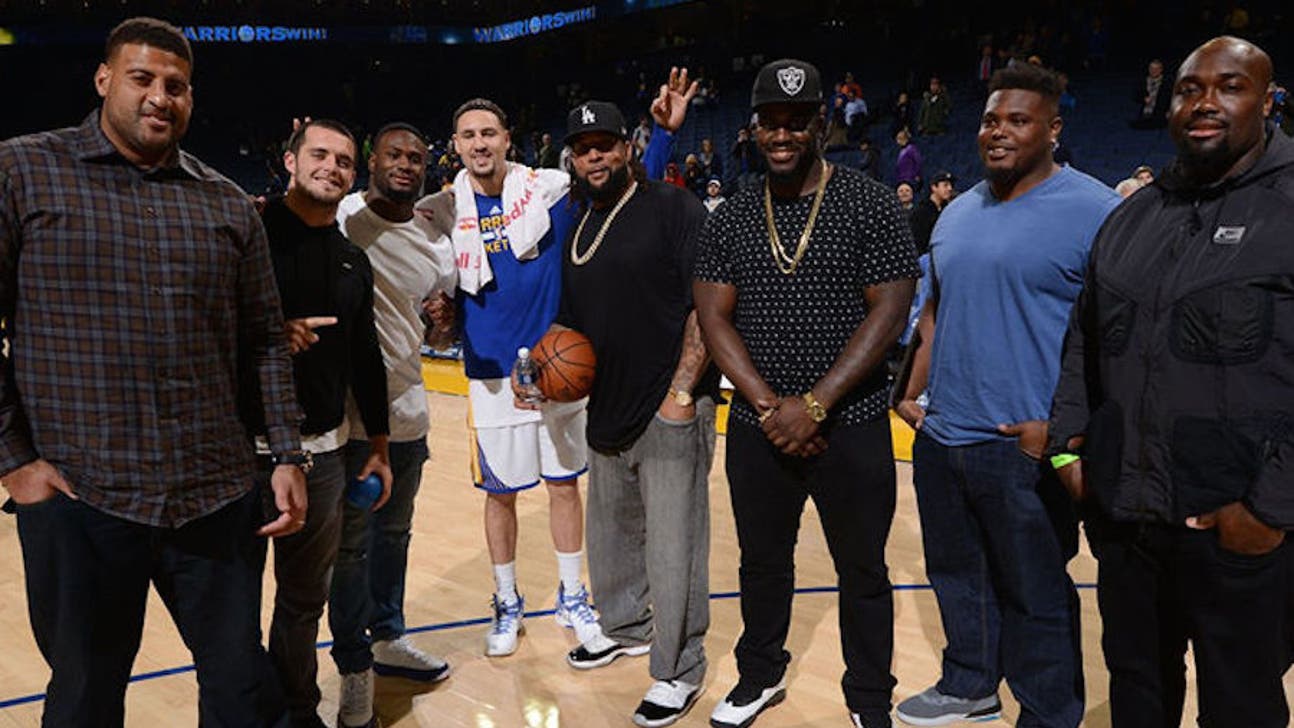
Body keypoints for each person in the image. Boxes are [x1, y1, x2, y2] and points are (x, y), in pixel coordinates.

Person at [0, 17, 304, 725]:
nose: (160, 97)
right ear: (104, 79)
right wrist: (14, 460)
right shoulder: (21, 170)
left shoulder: (228, 202)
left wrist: (286, 452)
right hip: (82, 498)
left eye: (177, 86)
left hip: (215, 495)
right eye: (142, 79)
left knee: (241, 693)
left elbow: (264, 339)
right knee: (84, 698)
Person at [1047, 36, 1294, 728]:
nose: (1205, 103)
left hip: (1238, 529)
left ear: (1267, 101)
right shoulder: (1133, 215)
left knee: (1241, 706)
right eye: (1189, 90)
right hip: (1127, 521)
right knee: (1138, 694)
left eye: (1230, 86)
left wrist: (1271, 509)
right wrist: (1070, 450)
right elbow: (1083, 341)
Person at [424, 69, 693, 661]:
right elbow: (436, 296)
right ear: (457, 146)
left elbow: (626, 193)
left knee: (564, 485)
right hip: (492, 373)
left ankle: (573, 597)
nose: (479, 143)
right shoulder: (443, 214)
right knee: (499, 495)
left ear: (507, 140)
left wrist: (665, 136)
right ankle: (506, 601)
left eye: (489, 133)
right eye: (467, 135)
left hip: (557, 367)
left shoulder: (549, 196)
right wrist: (439, 312)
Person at [695, 58, 919, 728]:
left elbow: (891, 312)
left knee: (863, 569)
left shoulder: (871, 201)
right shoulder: (731, 214)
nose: (784, 134)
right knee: (762, 561)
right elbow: (712, 318)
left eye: (798, 122)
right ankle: (759, 675)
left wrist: (815, 404)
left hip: (852, 420)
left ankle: (869, 697)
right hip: (759, 425)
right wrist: (770, 407)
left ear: (822, 122)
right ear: (753, 128)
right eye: (772, 122)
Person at [894, 62, 1119, 727]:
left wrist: (1067, 430)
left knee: (1037, 589)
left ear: (1053, 129)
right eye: (991, 119)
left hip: (1028, 439)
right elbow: (934, 309)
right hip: (945, 433)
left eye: (1018, 120)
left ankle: (1050, 712)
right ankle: (970, 684)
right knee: (957, 575)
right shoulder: (957, 212)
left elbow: (1115, 334)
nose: (998, 131)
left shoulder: (1096, 211)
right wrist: (912, 393)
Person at [554, 98, 720, 728]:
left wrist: (683, 390)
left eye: (605, 144)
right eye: (583, 147)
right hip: (608, 406)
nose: (595, 156)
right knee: (613, 538)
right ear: (573, 158)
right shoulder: (578, 229)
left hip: (670, 402)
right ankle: (626, 627)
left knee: (675, 547)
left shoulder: (672, 207)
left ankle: (679, 668)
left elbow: (707, 301)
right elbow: (572, 327)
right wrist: (542, 372)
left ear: (627, 148)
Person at [252, 118, 393, 728]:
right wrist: (266, 335)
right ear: (289, 160)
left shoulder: (351, 259)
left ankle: (296, 713)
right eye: (319, 155)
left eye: (343, 160)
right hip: (242, 454)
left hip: (327, 454)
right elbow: (199, 324)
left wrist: (380, 446)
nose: (331, 167)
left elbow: (366, 357)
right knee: (228, 612)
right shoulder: (247, 234)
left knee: (303, 602)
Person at [328, 122, 457, 726]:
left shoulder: (433, 242)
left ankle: (388, 638)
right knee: (350, 549)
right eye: (394, 155)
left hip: (410, 415)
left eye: (416, 157)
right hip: (353, 424)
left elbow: (435, 324)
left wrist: (440, 324)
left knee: (395, 536)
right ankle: (353, 667)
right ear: (370, 162)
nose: (406, 164)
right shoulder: (345, 216)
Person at [908, 170, 955, 255]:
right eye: (945, 185)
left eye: (951, 185)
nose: (950, 188)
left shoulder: (948, 209)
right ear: (934, 187)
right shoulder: (921, 212)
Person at [1131, 58, 1172, 129]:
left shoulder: (1167, 83)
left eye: (1156, 69)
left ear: (1161, 70)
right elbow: (1135, 95)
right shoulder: (1143, 81)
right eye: (1151, 68)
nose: (1153, 71)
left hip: (1160, 112)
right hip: (1145, 111)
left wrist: (1170, 110)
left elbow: (1173, 98)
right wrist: (1143, 98)